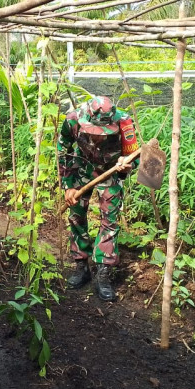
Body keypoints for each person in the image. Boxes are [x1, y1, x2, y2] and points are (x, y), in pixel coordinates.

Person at [57, 96, 139, 302]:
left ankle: (103, 273)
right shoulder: (73, 119)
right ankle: (81, 265)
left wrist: (126, 163)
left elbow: (133, 155)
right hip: (80, 169)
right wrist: (67, 184)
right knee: (76, 217)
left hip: (110, 171)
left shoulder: (124, 121)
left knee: (109, 222)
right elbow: (63, 151)